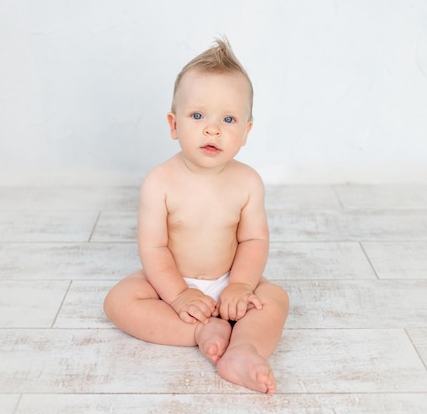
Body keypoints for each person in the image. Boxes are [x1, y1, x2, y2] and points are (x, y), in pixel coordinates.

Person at [104, 38, 289, 395]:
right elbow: (154, 248)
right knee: (119, 301)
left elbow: (253, 240)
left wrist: (240, 285)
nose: (212, 129)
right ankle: (201, 330)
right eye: (198, 115)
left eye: (229, 119)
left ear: (246, 132)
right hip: (170, 284)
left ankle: (243, 350)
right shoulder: (159, 182)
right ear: (174, 125)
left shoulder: (247, 182)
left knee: (275, 298)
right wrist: (178, 295)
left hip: (229, 280)